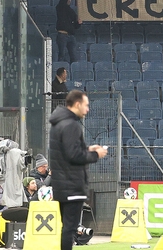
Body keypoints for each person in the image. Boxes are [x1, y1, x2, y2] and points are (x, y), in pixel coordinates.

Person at [48, 91, 107, 250]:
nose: (87, 109)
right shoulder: (71, 125)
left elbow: (66, 151)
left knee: (66, 227)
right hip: (72, 184)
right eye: (86, 105)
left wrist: (87, 148)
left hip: (61, 184)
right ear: (77, 104)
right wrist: (95, 154)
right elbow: (74, 155)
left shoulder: (58, 123)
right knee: (70, 228)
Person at [55, 0, 79, 64]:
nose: (69, 0)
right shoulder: (61, 7)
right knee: (62, 54)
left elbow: (76, 26)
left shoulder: (72, 12)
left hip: (71, 36)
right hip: (62, 35)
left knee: (74, 56)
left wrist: (79, 23)